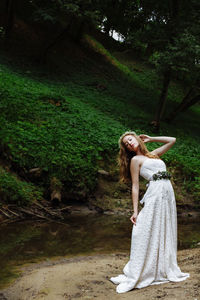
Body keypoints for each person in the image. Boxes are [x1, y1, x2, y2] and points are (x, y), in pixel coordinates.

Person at [110, 131, 190, 294]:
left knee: (163, 227)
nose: (129, 143)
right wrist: (135, 211)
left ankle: (160, 266)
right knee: (143, 227)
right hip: (154, 193)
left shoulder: (153, 154)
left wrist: (152, 138)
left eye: (130, 140)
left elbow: (172, 139)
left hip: (167, 194)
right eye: (126, 144)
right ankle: (141, 267)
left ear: (137, 139)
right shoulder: (135, 160)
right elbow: (135, 186)